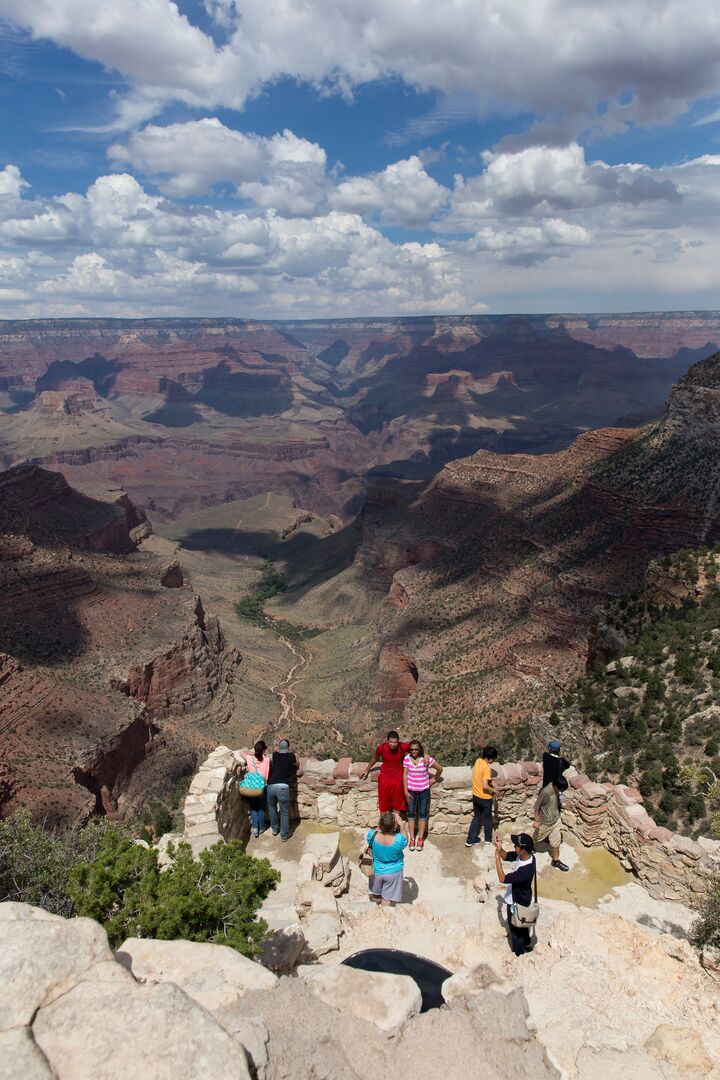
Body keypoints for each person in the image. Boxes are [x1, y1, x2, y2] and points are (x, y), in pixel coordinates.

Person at [494, 832, 537, 956]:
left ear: (523, 850)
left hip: (517, 901)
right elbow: (507, 856)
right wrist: (499, 849)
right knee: (522, 924)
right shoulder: (525, 856)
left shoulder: (526, 871)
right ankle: (528, 942)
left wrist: (497, 858)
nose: (514, 847)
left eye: (516, 846)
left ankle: (519, 953)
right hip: (523, 897)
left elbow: (502, 879)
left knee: (515, 931)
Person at [402, 739, 443, 851]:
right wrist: (405, 791)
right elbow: (405, 775)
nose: (414, 751)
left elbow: (440, 768)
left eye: (416, 749)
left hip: (424, 791)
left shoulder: (426, 759)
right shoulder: (406, 759)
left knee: (423, 814)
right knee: (411, 814)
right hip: (411, 791)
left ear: (419, 749)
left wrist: (434, 779)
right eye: (412, 749)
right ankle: (411, 839)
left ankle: (420, 838)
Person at [360, 730, 411, 813]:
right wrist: (367, 769)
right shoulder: (382, 748)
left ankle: (395, 825)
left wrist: (425, 757)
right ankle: (384, 825)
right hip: (384, 779)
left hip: (398, 781)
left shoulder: (403, 747)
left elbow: (416, 749)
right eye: (391, 742)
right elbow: (375, 758)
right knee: (383, 806)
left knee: (397, 806)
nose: (393, 744)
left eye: (395, 742)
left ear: (398, 741)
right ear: (387, 741)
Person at [367, 810, 408, 907]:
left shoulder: (371, 836)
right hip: (393, 873)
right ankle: (384, 916)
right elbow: (405, 839)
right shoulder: (399, 840)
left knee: (376, 895)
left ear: (380, 824)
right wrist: (401, 824)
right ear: (394, 826)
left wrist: (384, 822)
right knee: (387, 899)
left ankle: (375, 909)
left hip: (376, 871)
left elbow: (376, 829)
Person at [266, 738, 301, 842]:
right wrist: (297, 758)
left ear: (279, 747)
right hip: (283, 787)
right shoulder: (291, 756)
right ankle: (284, 835)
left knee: (272, 808)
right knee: (284, 812)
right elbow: (297, 765)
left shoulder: (275, 755)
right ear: (288, 748)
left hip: (271, 785)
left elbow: (276, 752)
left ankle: (275, 829)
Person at [533, 775, 570, 870]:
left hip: (556, 820)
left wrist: (562, 800)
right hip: (545, 822)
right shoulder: (545, 792)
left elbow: (561, 795)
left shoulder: (558, 789)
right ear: (555, 786)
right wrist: (536, 820)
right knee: (536, 837)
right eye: (561, 789)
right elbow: (536, 807)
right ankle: (529, 847)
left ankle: (555, 861)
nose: (561, 791)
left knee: (556, 842)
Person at [465, 745, 497, 847]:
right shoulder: (487, 768)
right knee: (487, 818)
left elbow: (480, 776)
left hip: (476, 796)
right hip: (485, 798)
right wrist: (494, 790)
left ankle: (470, 840)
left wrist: (491, 780)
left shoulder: (478, 761)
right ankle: (488, 839)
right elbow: (485, 785)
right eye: (493, 759)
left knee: (477, 817)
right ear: (489, 758)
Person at [243, 740, 270, 837]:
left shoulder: (250, 758)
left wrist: (252, 753)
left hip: (252, 787)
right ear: (264, 750)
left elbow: (241, 752)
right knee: (261, 808)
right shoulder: (266, 760)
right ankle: (262, 827)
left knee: (254, 807)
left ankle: (255, 828)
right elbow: (266, 776)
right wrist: (262, 754)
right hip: (262, 786)